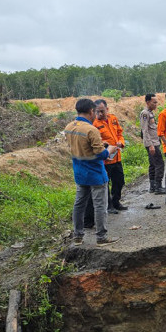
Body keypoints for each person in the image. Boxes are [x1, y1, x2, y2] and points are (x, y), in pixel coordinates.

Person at [64, 98, 117, 245]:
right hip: (95, 173)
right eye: (94, 111)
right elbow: (101, 155)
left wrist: (100, 145)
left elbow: (81, 146)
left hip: (80, 172)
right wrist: (109, 149)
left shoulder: (69, 127)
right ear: (90, 111)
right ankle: (101, 237)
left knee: (79, 204)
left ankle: (78, 236)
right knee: (100, 205)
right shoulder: (91, 129)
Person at [94, 99, 127, 211]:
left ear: (107, 109)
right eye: (97, 111)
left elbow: (120, 133)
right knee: (105, 183)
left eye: (102, 111)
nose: (99, 114)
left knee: (120, 180)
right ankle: (109, 206)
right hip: (105, 158)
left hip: (116, 157)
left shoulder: (113, 118)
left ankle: (116, 202)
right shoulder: (94, 124)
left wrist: (121, 142)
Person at [141, 93, 165, 194]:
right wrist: (150, 145)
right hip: (152, 143)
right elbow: (144, 130)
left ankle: (153, 186)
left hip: (155, 142)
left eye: (156, 102)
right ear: (147, 102)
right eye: (154, 102)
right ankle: (158, 186)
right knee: (160, 164)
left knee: (153, 164)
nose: (156, 104)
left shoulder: (150, 112)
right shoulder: (145, 113)